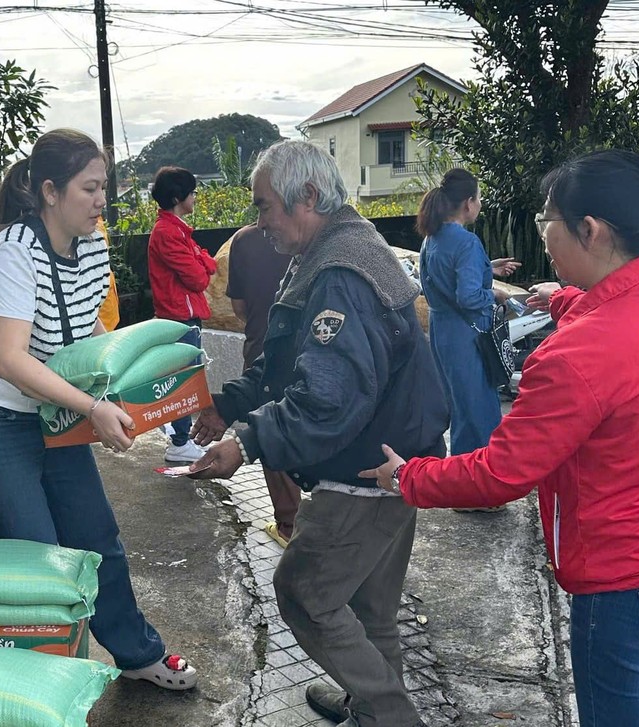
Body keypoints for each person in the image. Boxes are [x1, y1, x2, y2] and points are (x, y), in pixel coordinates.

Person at [360, 149, 639, 727]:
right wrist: (563, 297)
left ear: (590, 230)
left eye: (546, 221)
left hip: (623, 583)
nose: (544, 236)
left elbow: (500, 473)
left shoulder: (578, 356)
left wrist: (407, 476)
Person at [189, 140, 448, 727]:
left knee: (304, 592)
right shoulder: (338, 247)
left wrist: (246, 442)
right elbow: (289, 361)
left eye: (264, 207)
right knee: (370, 608)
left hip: (365, 470)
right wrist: (230, 403)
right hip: (396, 459)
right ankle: (371, 707)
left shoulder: (341, 272)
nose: (259, 223)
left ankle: (390, 715)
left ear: (307, 197)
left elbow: (327, 402)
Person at [0, 129, 198, 692]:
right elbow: (9, 360)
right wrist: (92, 407)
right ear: (51, 192)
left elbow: (87, 341)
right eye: (90, 188)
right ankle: (37, 684)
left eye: (104, 187)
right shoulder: (13, 252)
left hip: (53, 409)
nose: (101, 200)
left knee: (95, 536)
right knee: (34, 552)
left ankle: (136, 653)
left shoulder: (92, 246)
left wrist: (127, 394)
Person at [416, 169, 520, 463]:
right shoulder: (466, 242)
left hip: (442, 332)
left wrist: (488, 266)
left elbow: (439, 280)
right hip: (468, 334)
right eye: (479, 198)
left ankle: (461, 480)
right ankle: (477, 488)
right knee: (480, 412)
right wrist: (496, 294)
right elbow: (469, 297)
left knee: (460, 408)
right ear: (468, 203)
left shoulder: (431, 238)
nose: (481, 204)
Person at [225, 223, 302, 548]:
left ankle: (289, 523)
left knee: (270, 434)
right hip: (307, 349)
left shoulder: (242, 240)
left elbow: (239, 307)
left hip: (261, 346)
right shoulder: (310, 234)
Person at [148, 165, 217, 463]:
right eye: (192, 193)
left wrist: (202, 259)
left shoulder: (175, 229)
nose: (196, 198)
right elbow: (200, 278)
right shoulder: (169, 233)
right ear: (178, 197)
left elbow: (207, 264)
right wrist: (202, 260)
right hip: (179, 319)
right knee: (183, 382)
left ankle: (180, 438)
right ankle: (178, 441)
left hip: (183, 317)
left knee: (184, 379)